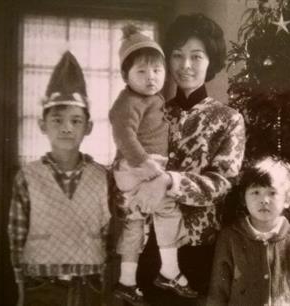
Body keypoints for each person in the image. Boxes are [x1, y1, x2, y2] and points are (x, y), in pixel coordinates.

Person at [123, 13, 246, 305]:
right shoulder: (154, 113)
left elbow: (223, 182)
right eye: (177, 55)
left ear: (210, 61)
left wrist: (169, 181)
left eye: (196, 56)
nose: (185, 65)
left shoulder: (228, 119)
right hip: (149, 244)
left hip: (199, 247)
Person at [7, 51, 111, 306]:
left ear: (88, 127)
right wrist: (21, 285)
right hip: (42, 285)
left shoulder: (103, 177)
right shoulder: (28, 177)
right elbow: (16, 234)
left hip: (90, 285)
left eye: (76, 120)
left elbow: (109, 233)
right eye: (57, 119)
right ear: (43, 125)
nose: (66, 127)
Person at [109, 24, 197, 305]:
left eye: (157, 71)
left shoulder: (152, 98)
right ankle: (169, 271)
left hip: (137, 169)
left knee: (135, 221)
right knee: (168, 209)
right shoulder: (128, 101)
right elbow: (123, 133)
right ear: (126, 76)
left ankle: (126, 281)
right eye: (142, 72)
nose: (151, 78)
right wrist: (145, 164)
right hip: (136, 167)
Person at [207, 157, 290, 306]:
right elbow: (218, 292)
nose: (264, 199)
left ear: (287, 199)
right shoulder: (230, 238)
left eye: (272, 193)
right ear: (243, 197)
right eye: (256, 192)